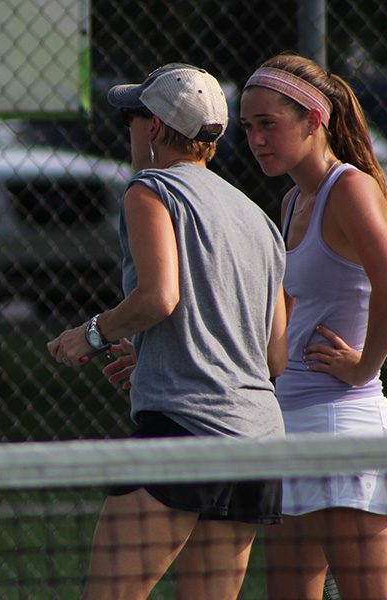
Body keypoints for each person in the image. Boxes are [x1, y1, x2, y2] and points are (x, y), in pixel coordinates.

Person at [48, 63, 289, 600]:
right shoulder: (259, 219)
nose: (129, 129)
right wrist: (163, 355)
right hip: (259, 445)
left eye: (133, 117)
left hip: (184, 432)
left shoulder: (149, 190)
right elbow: (273, 354)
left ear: (153, 127)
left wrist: (88, 334)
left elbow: (160, 297)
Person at [239, 53, 387, 599]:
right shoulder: (290, 200)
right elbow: (287, 318)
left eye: (268, 124)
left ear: (313, 120)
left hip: (341, 426)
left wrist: (363, 366)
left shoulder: (349, 188)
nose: (256, 140)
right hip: (289, 423)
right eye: (249, 127)